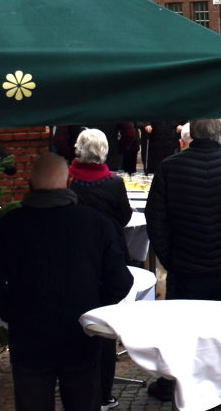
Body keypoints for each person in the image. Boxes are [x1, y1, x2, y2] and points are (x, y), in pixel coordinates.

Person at [0, 154, 132, 411]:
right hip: (81, 336)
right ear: (69, 182)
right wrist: (93, 308)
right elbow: (120, 281)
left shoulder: (8, 226)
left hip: (30, 340)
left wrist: (13, 312)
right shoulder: (96, 223)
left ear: (29, 184)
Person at [143, 118, 221, 407]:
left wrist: (171, 260)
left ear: (192, 132)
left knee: (185, 349)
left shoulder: (170, 167)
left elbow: (156, 221)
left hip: (187, 273)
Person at [65, 129, 134, 408]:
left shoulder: (69, 181)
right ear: (104, 151)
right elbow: (126, 215)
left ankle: (77, 385)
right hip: (111, 256)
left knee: (77, 319)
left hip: (76, 257)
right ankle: (104, 394)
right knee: (106, 326)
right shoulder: (114, 183)